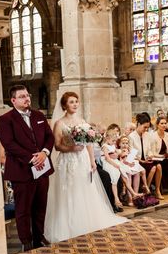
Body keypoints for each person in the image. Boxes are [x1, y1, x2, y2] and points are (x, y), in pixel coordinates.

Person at [44, 91, 126, 243]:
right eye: (71, 102)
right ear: (64, 105)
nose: (75, 104)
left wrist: (92, 161)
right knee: (69, 190)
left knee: (84, 189)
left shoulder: (82, 121)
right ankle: (70, 223)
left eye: (76, 101)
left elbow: (88, 143)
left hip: (82, 160)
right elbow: (57, 145)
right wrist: (71, 148)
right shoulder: (59, 124)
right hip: (67, 161)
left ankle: (86, 220)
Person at [0, 85, 55, 251]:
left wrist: (44, 153)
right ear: (13, 100)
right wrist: (32, 159)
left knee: (40, 206)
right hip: (21, 170)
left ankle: (39, 237)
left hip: (43, 168)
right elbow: (9, 144)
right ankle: (26, 241)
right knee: (23, 209)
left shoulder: (38, 115)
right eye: (22, 96)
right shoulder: (5, 119)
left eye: (27, 95)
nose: (27, 99)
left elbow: (49, 137)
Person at [128, 112, 164, 199]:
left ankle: (155, 190)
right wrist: (141, 160)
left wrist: (150, 156)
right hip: (137, 161)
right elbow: (131, 155)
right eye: (145, 127)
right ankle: (146, 189)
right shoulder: (131, 136)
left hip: (146, 160)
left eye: (148, 127)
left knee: (158, 166)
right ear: (139, 124)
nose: (146, 129)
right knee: (154, 167)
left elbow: (150, 150)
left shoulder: (147, 135)